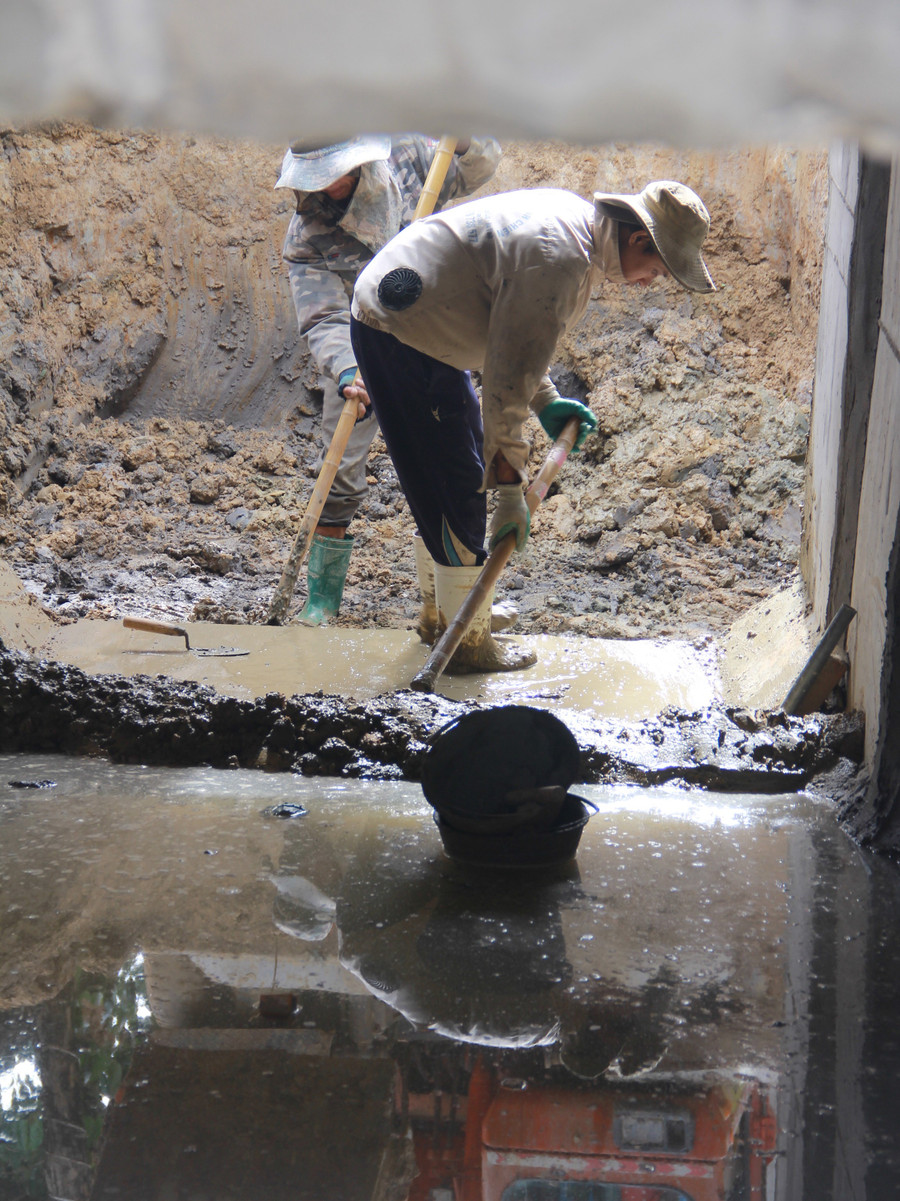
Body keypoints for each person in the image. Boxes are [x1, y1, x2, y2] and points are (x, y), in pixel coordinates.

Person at [349, 181, 716, 673]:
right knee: (455, 484)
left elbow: (514, 341)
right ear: (638, 241)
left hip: (423, 321)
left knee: (445, 479)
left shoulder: (574, 229)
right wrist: (508, 493)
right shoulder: (561, 259)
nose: (653, 280)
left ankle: (446, 615)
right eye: (658, 267)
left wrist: (548, 403)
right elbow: (504, 386)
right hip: (405, 331)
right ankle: (467, 647)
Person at [275, 133, 501, 625]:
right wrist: (348, 369)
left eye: (333, 171)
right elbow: (322, 316)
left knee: (450, 464)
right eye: (317, 176)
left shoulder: (413, 157)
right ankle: (320, 604)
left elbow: (479, 169)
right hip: (362, 344)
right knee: (338, 474)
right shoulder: (306, 234)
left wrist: (466, 143)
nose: (327, 185)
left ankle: (448, 599)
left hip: (433, 331)